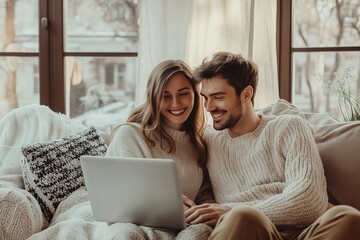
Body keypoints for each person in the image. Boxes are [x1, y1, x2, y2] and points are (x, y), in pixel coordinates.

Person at [184, 52, 360, 239]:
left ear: (246, 94)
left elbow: (310, 201)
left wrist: (229, 209)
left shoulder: (289, 126)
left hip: (305, 233)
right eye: (205, 98)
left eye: (218, 97)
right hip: (246, 230)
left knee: (348, 217)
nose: (209, 107)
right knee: (244, 217)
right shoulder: (207, 139)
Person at [106, 59, 210, 209]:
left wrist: (209, 212)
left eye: (183, 94)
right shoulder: (131, 135)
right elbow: (125, 194)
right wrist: (167, 201)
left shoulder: (199, 143)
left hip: (186, 222)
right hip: (135, 221)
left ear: (195, 94)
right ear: (153, 98)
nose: (176, 104)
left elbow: (204, 196)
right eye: (165, 96)